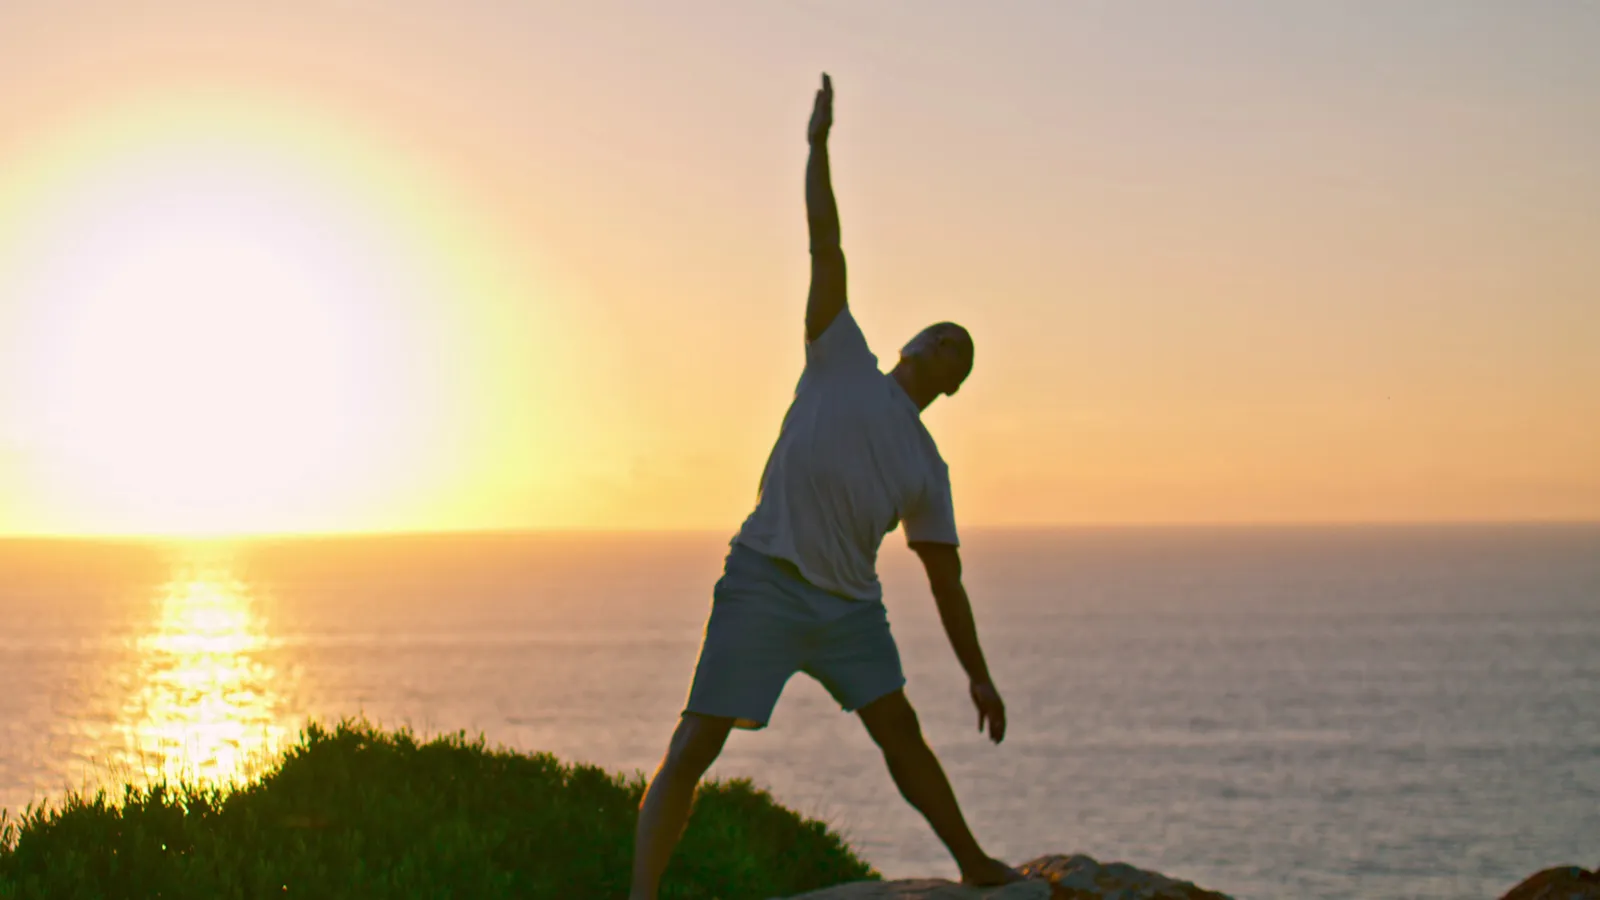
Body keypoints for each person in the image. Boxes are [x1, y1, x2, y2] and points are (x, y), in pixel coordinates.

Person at [628, 73, 1021, 899]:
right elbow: (825, 242)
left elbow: (945, 579)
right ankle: (642, 897)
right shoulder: (841, 352)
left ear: (952, 386)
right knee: (695, 745)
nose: (950, 344)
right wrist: (817, 146)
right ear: (912, 340)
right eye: (944, 333)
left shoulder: (927, 467)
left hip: (848, 610)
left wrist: (978, 675)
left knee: (901, 735)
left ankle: (975, 866)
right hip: (764, 579)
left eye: (963, 352)